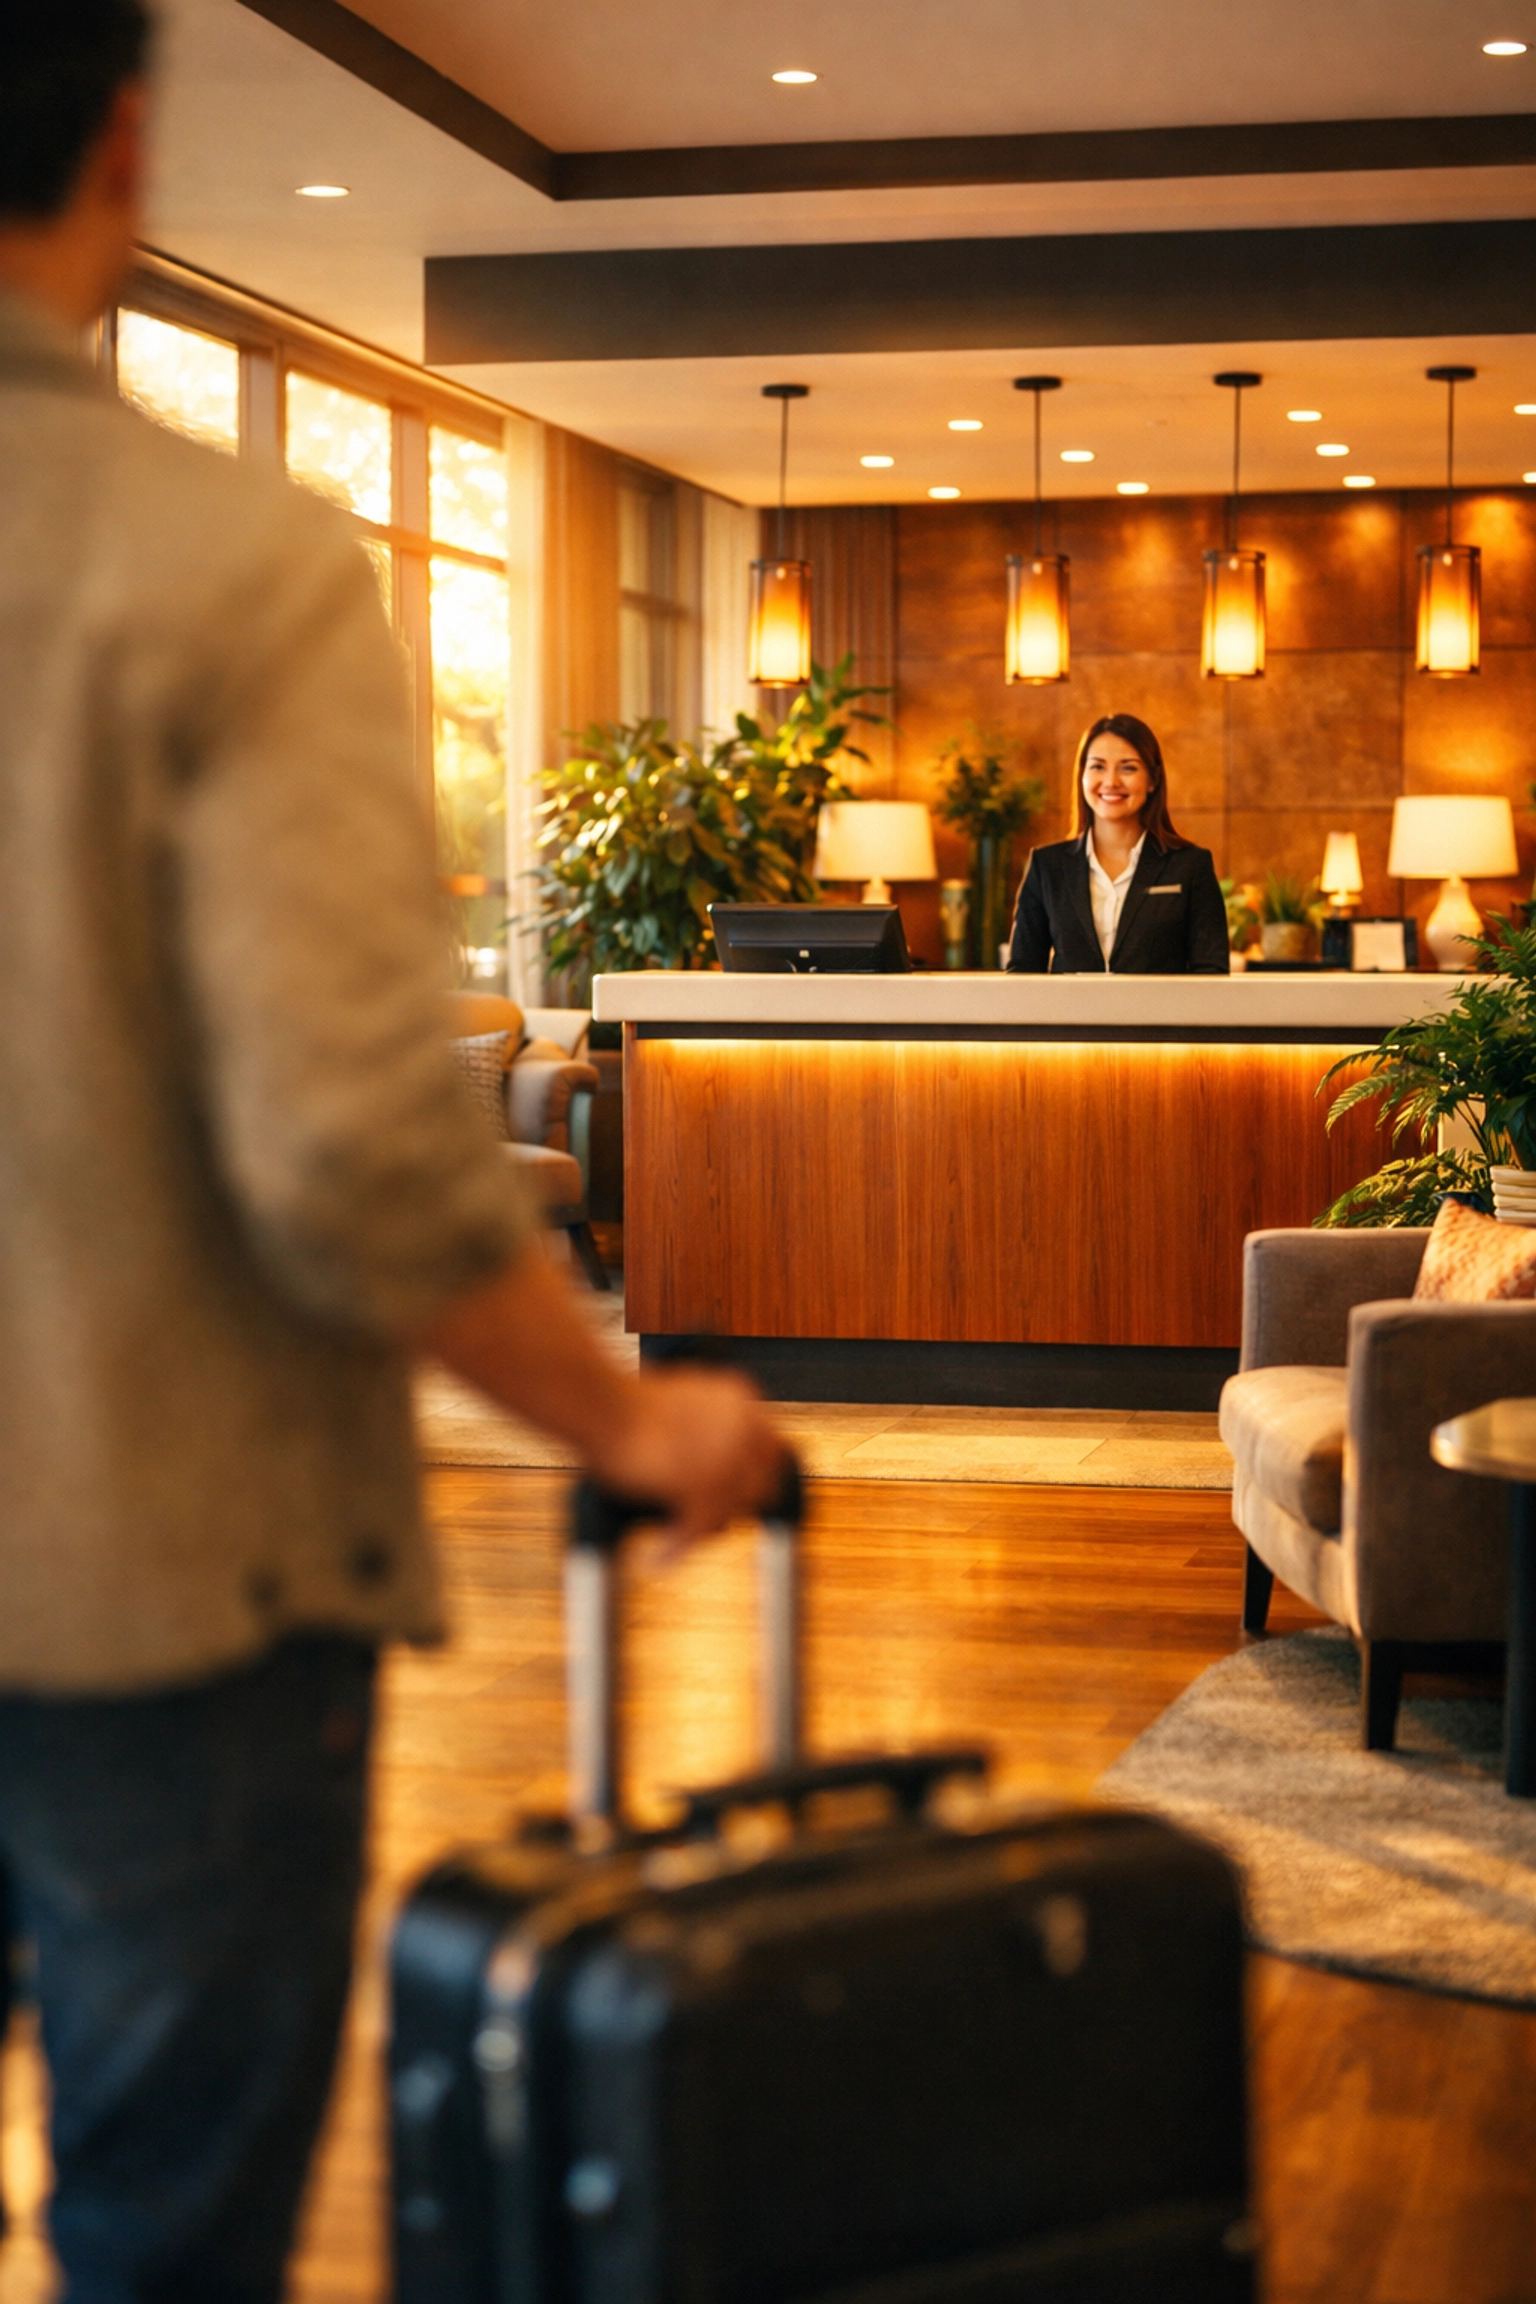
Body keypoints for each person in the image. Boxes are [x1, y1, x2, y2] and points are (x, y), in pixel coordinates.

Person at [0, 5, 783, 2297]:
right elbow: (346, 1144)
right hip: (165, 1593)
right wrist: (628, 1409)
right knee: (160, 2239)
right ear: (124, 142)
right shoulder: (216, 564)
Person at [1006, 712, 1230, 975]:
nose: (1111, 781)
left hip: (1160, 1017)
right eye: (1098, 766)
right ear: (1082, 776)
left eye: (1128, 768)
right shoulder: (1047, 866)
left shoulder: (1190, 866)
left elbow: (1211, 974)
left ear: (1153, 780)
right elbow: (1022, 975)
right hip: (1070, 1017)